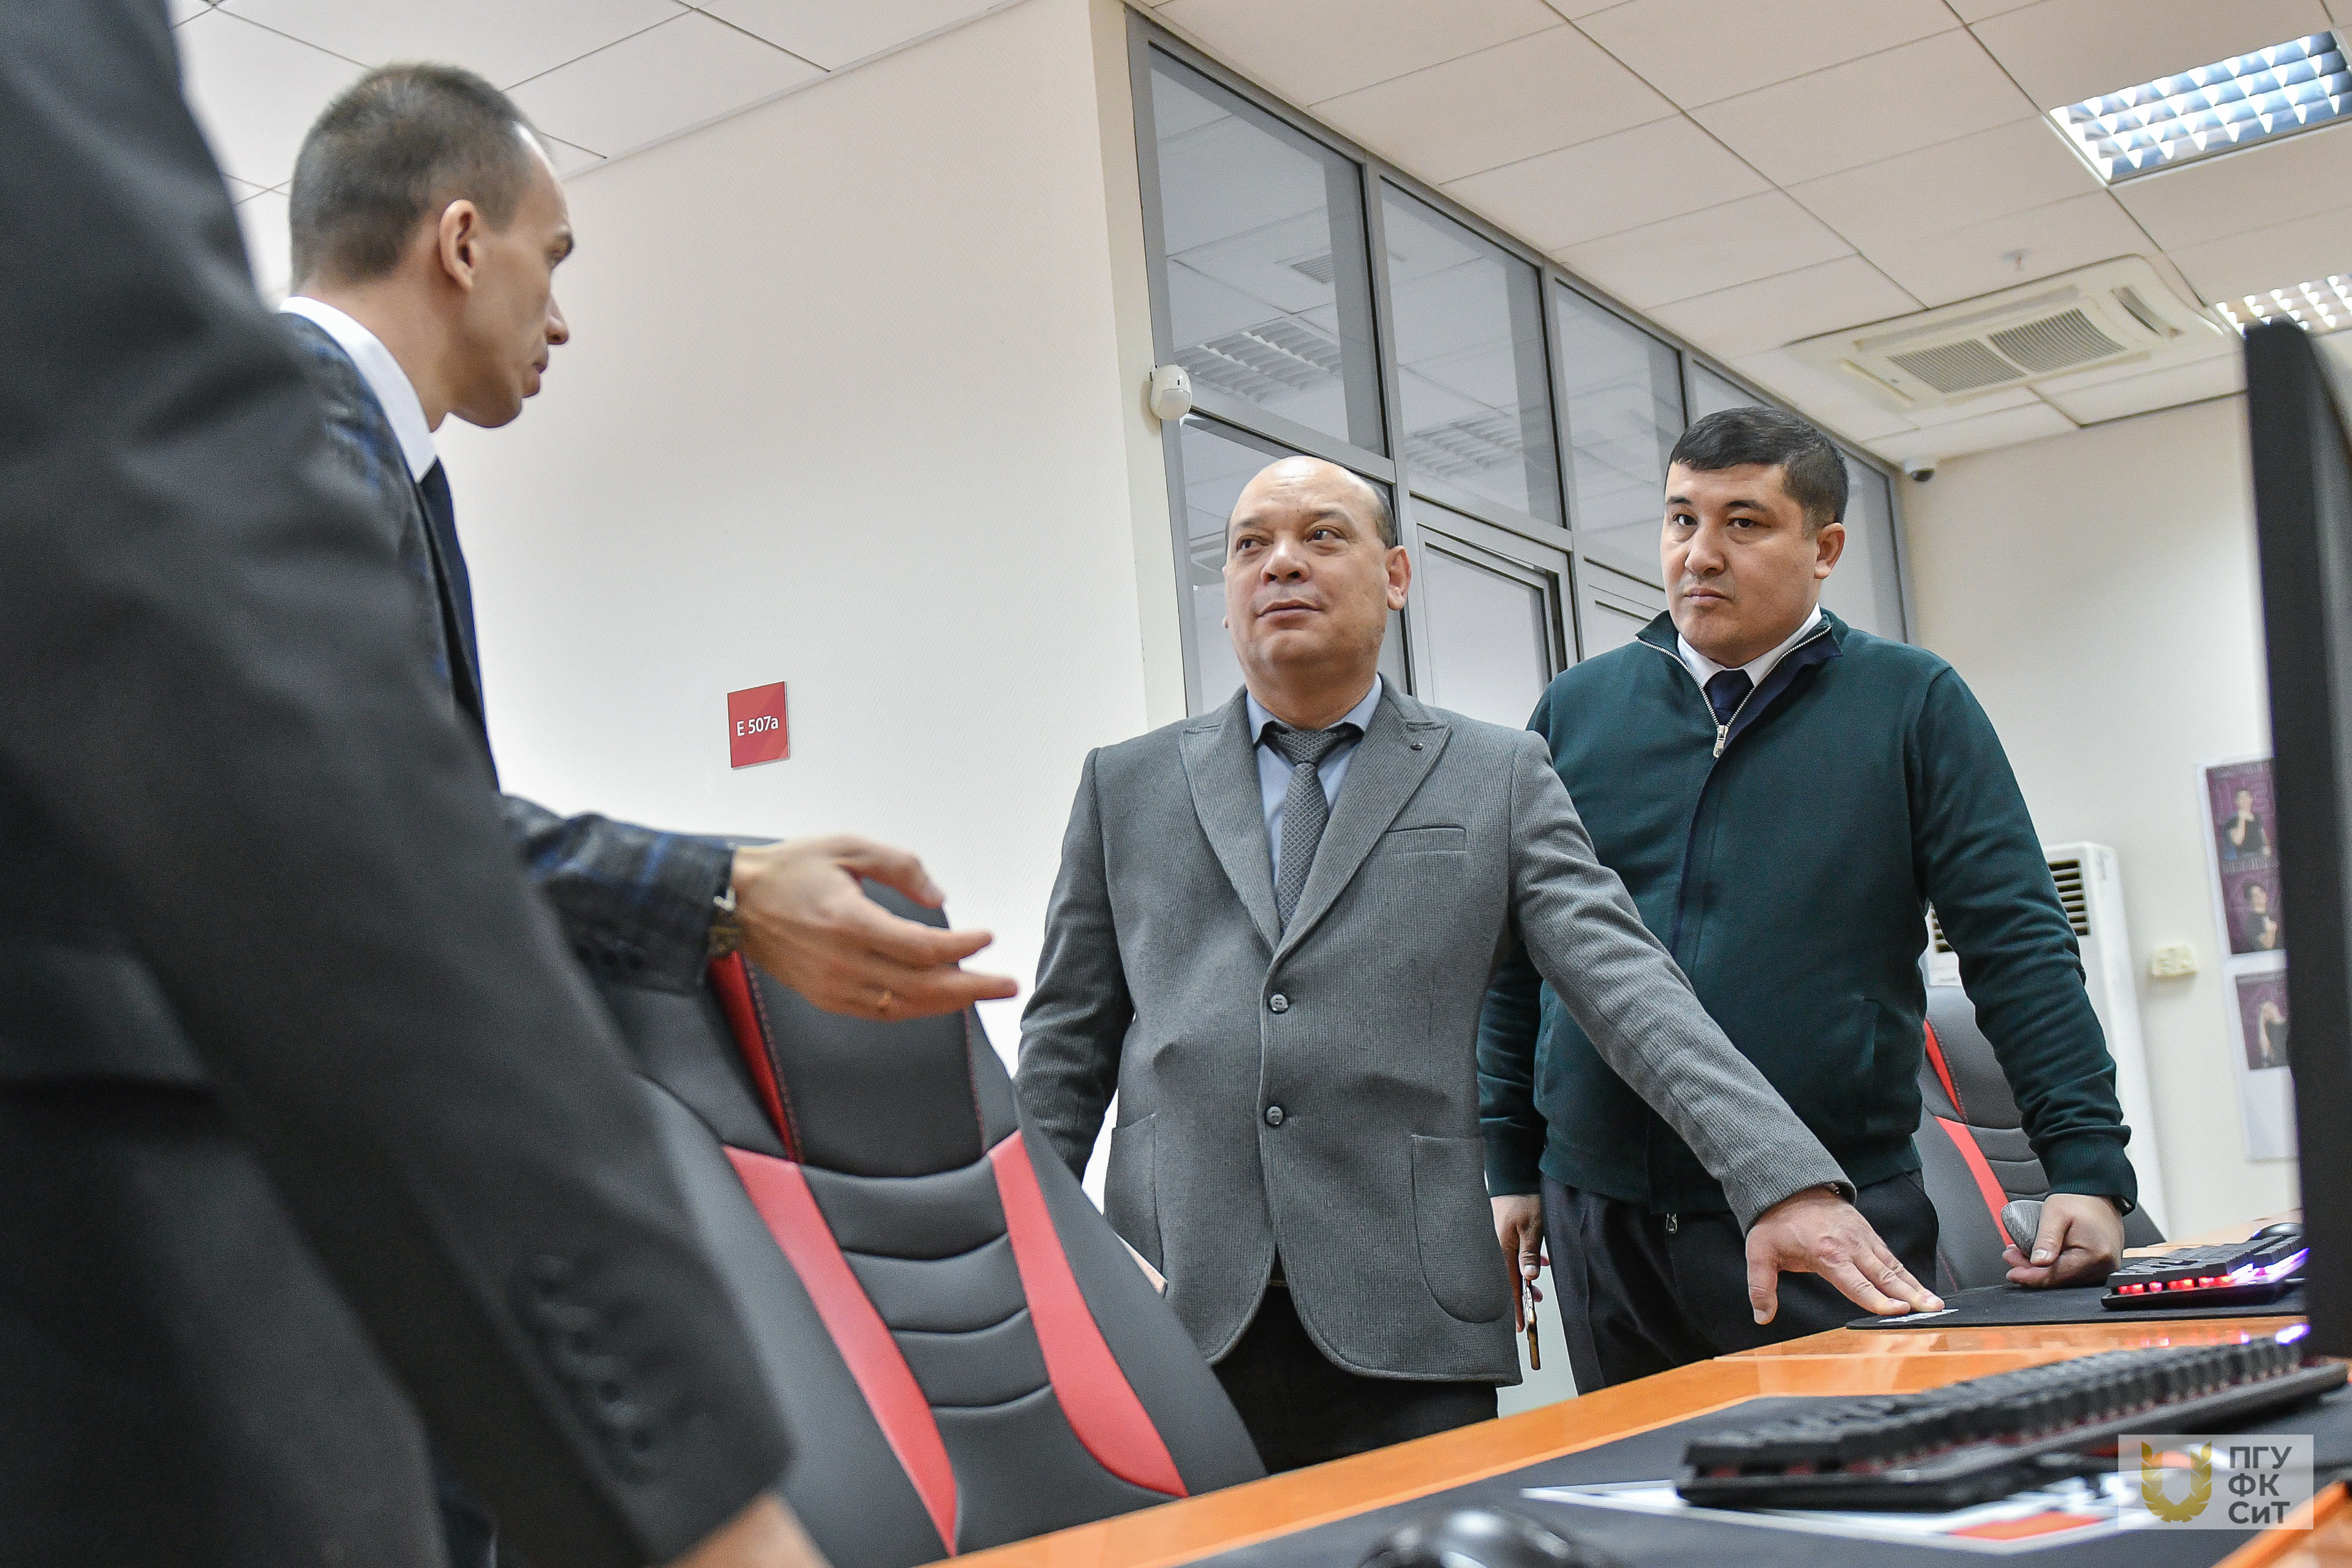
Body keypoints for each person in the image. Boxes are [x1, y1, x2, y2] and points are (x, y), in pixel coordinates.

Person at [1016, 454, 1937, 1473]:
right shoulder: (1128, 785)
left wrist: (1780, 1179)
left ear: (1396, 576)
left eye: (1322, 536)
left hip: (1408, 1321)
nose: (1280, 563)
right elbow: (1064, 1049)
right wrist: (1023, 1272)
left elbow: (1627, 987)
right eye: (1250, 546)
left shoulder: (1493, 774)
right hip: (1166, 1316)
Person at [272, 63, 1013, 1034]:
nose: (560, 322)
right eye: (553, 259)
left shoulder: (334, 432)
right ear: (462, 244)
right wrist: (730, 892)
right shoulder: (303, 419)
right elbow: (370, 814)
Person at [1479, 407, 2137, 1392]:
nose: (1700, 554)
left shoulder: (1912, 703)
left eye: (1743, 523)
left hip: (1834, 1209)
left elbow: (2018, 946)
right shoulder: (1577, 711)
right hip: (1604, 1215)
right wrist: (1511, 1160)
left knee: (1871, 1480)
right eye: (1681, 520)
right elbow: (1518, 955)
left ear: (1824, 549)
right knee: (1645, 1486)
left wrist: (2085, 1165)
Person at [2220, 788, 2271, 860]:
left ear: (2251, 799)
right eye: (2241, 798)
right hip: (2244, 858)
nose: (2245, 800)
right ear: (2237, 802)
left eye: (2247, 797)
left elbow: (2263, 834)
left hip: (2261, 856)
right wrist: (2242, 819)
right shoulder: (2231, 820)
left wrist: (2267, 847)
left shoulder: (2257, 817)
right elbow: (2237, 841)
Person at [2241, 881, 2282, 952]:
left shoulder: (2269, 916)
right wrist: (2270, 931)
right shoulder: (2252, 921)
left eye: (2261, 892)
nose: (2260, 896)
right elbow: (2268, 945)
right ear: (2251, 900)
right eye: (2255, 895)